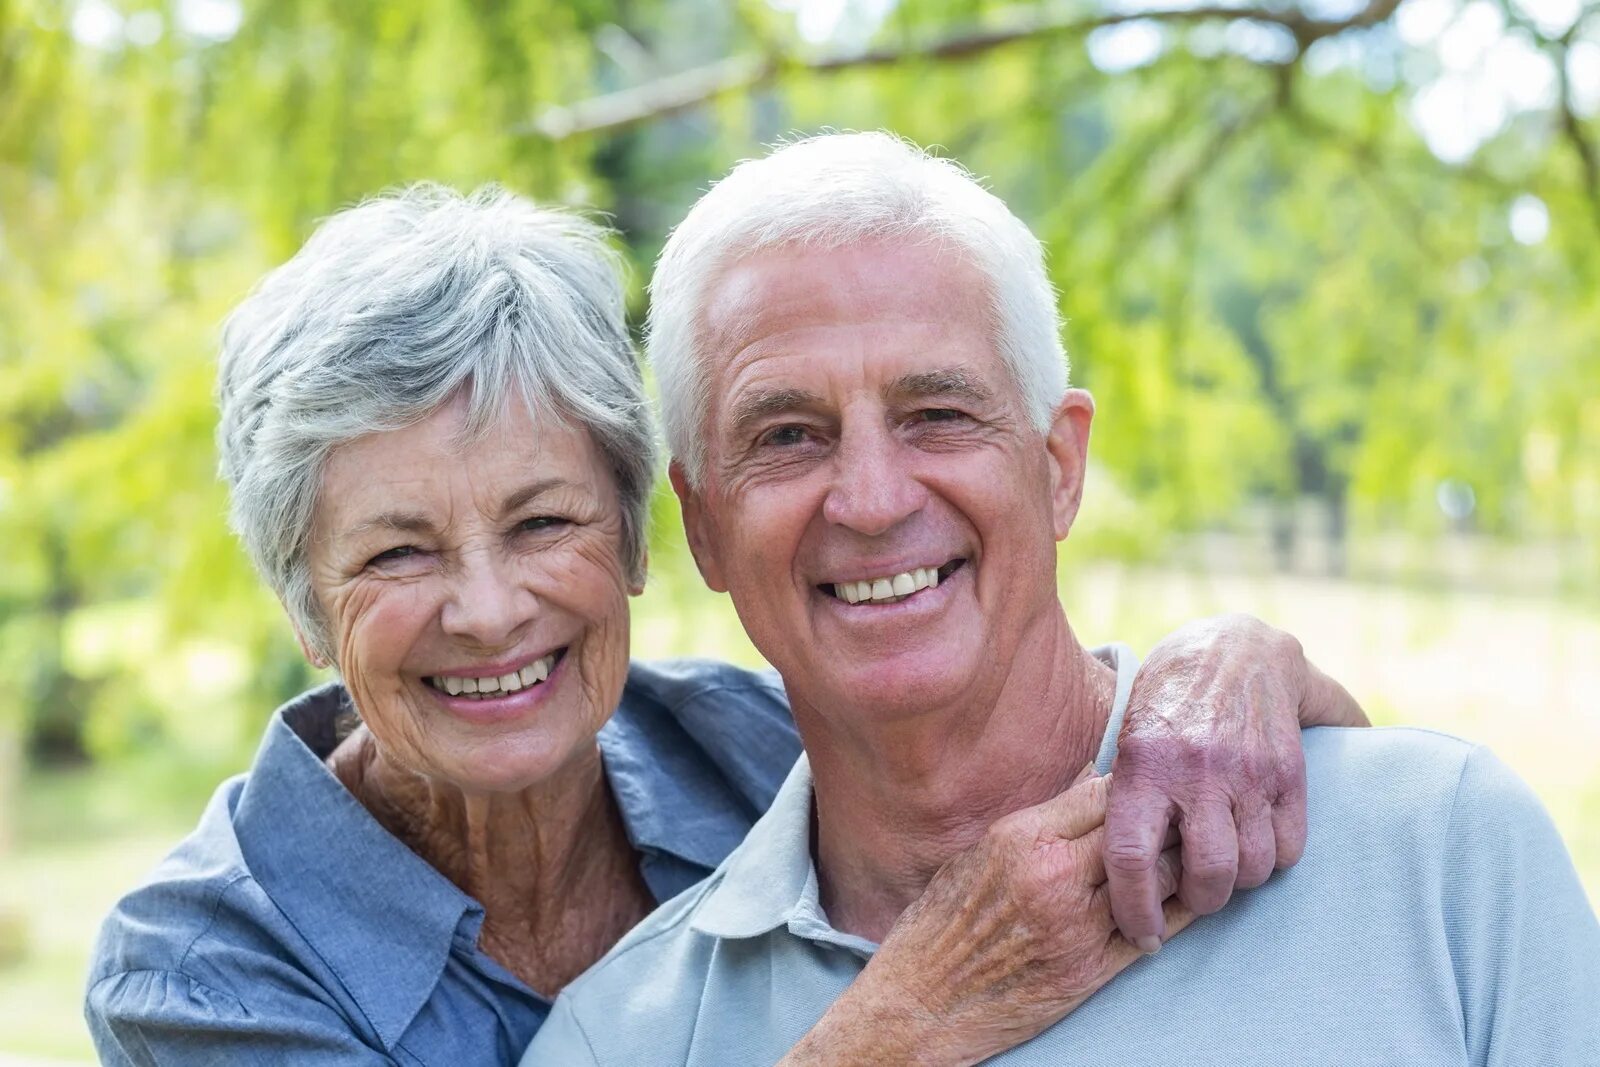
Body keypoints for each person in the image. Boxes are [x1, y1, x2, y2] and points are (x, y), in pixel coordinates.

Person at [85, 184, 1363, 1067]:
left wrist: (1233, 659)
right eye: (397, 551)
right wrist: (908, 1021)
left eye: (542, 522)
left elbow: (1107, 730)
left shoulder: (750, 737)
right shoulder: (200, 970)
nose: (487, 609)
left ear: (642, 538)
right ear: (305, 603)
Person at [524, 133, 1600, 1066]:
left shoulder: (1440, 853)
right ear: (704, 525)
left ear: (1060, 467)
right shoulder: (617, 1039)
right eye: (787, 435)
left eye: (938, 413)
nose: (872, 498)